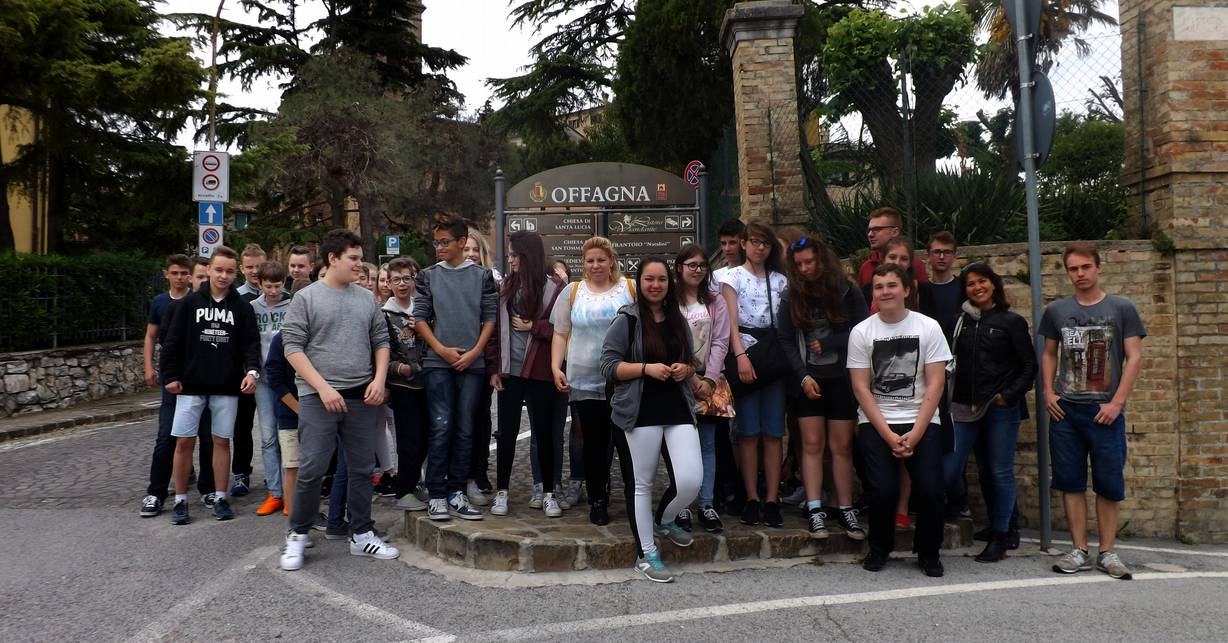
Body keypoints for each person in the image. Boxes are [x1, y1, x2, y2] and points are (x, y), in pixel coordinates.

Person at [279, 228, 397, 571]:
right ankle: (297, 535)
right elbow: (292, 348)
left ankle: (361, 534)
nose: (360, 266)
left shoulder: (366, 300)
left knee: (362, 468)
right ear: (333, 259)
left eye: (361, 259)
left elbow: (381, 342)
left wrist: (378, 379)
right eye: (354, 259)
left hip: (361, 395)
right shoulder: (306, 298)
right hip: (318, 398)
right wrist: (323, 388)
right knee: (313, 467)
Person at [1041, 242, 1145, 580]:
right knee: (1070, 482)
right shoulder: (1056, 311)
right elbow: (1049, 354)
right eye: (1073, 269)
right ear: (1067, 272)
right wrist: (1047, 392)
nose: (1080, 274)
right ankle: (1078, 550)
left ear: (1098, 267)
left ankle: (1108, 553)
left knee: (1108, 483)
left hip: (1106, 413)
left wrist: (1117, 402)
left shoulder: (1122, 308)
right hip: (1067, 412)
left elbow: (1135, 357)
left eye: (1085, 267)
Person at [601, 257, 701, 583]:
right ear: (639, 283)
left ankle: (665, 518)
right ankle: (646, 554)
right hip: (639, 410)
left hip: (677, 408)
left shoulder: (677, 319)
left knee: (690, 480)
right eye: (649, 279)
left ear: (669, 283)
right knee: (641, 485)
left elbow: (690, 360)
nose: (655, 285)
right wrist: (646, 368)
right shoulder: (626, 320)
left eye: (661, 279)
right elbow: (609, 366)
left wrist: (687, 369)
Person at [848, 264, 951, 577]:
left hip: (922, 420)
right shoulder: (862, 332)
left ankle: (929, 552)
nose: (885, 292)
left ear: (907, 290)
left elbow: (936, 384)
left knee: (931, 490)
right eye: (879, 287)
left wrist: (917, 432)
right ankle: (880, 548)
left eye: (892, 285)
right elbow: (860, 388)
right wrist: (889, 435)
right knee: (883, 490)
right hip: (877, 421)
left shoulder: (928, 327)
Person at [776, 236, 869, 540]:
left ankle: (845, 507)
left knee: (841, 447)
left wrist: (830, 342)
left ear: (821, 259)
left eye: (809, 262)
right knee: (811, 445)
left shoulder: (846, 289)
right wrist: (802, 375)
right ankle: (815, 507)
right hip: (809, 379)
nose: (804, 268)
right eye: (798, 264)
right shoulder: (791, 295)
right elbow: (786, 340)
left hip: (842, 378)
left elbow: (863, 330)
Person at [161, 246, 261, 525]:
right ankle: (180, 500)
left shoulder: (242, 308)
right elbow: (171, 344)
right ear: (208, 271)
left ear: (235, 272)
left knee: (221, 440)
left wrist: (252, 372)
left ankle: (220, 497)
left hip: (227, 386)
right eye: (219, 270)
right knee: (183, 442)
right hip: (191, 385)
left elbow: (251, 346)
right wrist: (169, 376)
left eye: (229, 271)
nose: (223, 276)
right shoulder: (187, 304)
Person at [944, 262, 1036, 562]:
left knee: (998, 471)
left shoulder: (1011, 321)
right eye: (970, 284)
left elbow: (1028, 367)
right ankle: (1006, 526)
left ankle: (1000, 535)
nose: (977, 288)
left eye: (982, 281)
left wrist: (1006, 397)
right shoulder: (960, 322)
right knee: (955, 468)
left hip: (999, 408)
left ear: (993, 284)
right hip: (964, 406)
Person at [414, 217, 498, 521]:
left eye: (445, 241)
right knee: (441, 425)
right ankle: (436, 493)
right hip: (438, 363)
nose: (439, 247)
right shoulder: (427, 276)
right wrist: (441, 350)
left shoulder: (483, 276)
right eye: (436, 242)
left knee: (465, 429)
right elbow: (420, 318)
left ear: (462, 242)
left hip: (472, 364)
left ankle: (457, 492)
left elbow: (490, 318)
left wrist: (475, 352)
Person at [550, 236, 636, 526]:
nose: (596, 265)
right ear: (583, 263)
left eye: (601, 259)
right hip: (585, 380)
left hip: (625, 380)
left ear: (611, 260)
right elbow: (560, 332)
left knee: (627, 442)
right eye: (590, 260)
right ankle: (598, 498)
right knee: (594, 444)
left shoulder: (629, 289)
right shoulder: (574, 292)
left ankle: (634, 496)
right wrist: (555, 366)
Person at [487, 231, 567, 517]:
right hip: (510, 371)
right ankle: (502, 492)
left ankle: (547, 492)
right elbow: (494, 331)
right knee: (506, 432)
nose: (510, 260)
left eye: (514, 254)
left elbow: (561, 329)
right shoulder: (504, 287)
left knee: (544, 433)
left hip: (540, 371)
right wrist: (494, 368)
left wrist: (533, 326)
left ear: (527, 255)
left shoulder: (554, 288)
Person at [719, 222, 789, 528]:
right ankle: (751, 496)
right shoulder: (731, 277)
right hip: (746, 350)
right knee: (748, 432)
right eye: (755, 242)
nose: (760, 248)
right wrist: (740, 356)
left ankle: (772, 498)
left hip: (773, 355)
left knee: (773, 432)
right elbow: (731, 322)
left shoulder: (780, 281)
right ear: (744, 244)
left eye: (766, 244)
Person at [138, 254, 211, 517]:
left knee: (207, 435)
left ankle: (208, 488)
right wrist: (150, 367)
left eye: (185, 273)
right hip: (172, 379)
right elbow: (153, 337)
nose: (180, 278)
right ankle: (155, 492)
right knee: (166, 436)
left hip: (199, 379)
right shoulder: (161, 303)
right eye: (175, 273)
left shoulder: (203, 303)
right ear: (167, 274)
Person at [672, 244, 731, 533]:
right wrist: (690, 377)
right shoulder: (670, 301)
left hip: (709, 383)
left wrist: (708, 378)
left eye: (702, 265)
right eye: (691, 265)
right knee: (680, 448)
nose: (697, 270)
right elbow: (669, 341)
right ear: (679, 268)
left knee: (707, 445)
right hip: (677, 381)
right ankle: (681, 504)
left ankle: (706, 504)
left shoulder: (715, 301)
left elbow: (721, 341)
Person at [382, 258, 430, 511]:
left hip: (428, 382)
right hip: (402, 385)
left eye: (407, 278)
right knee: (409, 438)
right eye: (396, 279)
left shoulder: (423, 310)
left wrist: (424, 329)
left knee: (428, 437)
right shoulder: (384, 314)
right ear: (388, 283)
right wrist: (401, 369)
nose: (402, 284)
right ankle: (404, 490)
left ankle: (415, 483)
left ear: (415, 280)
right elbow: (379, 354)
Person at [250, 260, 294, 516]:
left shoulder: (292, 305)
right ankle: (274, 493)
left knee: (287, 434)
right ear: (260, 283)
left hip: (288, 379)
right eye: (268, 286)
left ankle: (290, 493)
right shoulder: (252, 309)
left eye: (277, 286)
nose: (273, 291)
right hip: (264, 380)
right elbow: (250, 343)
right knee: (268, 437)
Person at [229, 243, 268, 497]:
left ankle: (275, 473)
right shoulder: (236, 297)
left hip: (270, 373)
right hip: (242, 372)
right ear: (242, 268)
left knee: (272, 428)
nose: (255, 272)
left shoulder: (279, 293)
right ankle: (241, 473)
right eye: (250, 267)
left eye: (259, 267)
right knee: (241, 426)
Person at [463, 227, 498, 501]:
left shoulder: (493, 282)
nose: (472, 254)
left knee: (481, 418)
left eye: (476, 250)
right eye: (467, 250)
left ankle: (479, 470)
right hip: (454, 358)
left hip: (483, 360)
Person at [857, 207, 929, 291]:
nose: (870, 234)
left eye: (877, 229)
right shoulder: (866, 268)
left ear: (895, 232)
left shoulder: (915, 264)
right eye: (869, 230)